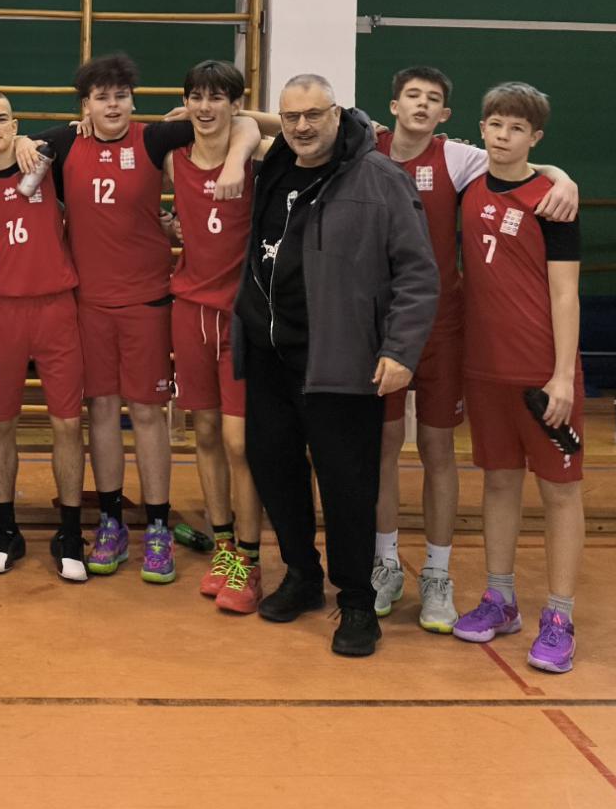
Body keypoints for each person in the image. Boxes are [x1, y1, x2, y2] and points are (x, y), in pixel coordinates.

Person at [370, 68, 578, 632]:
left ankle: (437, 574)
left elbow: (524, 167)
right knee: (383, 447)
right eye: (412, 95)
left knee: (438, 449)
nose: (421, 104)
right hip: (382, 328)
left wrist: (564, 178)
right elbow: (296, 125)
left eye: (433, 99)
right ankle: (385, 564)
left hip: (446, 330)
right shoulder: (365, 146)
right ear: (393, 104)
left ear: (445, 115)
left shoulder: (460, 160)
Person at [34, 54, 255, 585]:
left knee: (149, 413)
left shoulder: (157, 139)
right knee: (102, 411)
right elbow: (12, 146)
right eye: (101, 98)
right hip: (89, 303)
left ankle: (158, 525)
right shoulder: (65, 144)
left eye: (121, 96)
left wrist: (234, 157)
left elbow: (243, 122)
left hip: (149, 300)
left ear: (133, 101)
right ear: (84, 106)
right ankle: (111, 521)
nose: (112, 106)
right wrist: (22, 140)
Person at [236, 74, 436, 658]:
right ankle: (301, 574)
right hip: (270, 354)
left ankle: (356, 602)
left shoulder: (380, 178)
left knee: (347, 486)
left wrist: (399, 349)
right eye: (290, 116)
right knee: (274, 469)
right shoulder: (275, 167)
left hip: (341, 358)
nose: (301, 126)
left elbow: (417, 272)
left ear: (337, 114)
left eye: (313, 115)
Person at [450, 83, 585, 674]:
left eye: (516, 128)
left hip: (541, 373)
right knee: (499, 483)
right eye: (495, 125)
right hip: (484, 368)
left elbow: (566, 293)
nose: (503, 136)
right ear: (482, 128)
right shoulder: (468, 183)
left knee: (560, 491)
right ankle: (500, 599)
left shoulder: (553, 200)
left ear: (536, 138)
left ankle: (560, 617)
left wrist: (563, 377)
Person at [0, 88, 89, 580]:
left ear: (15, 124)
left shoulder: (44, 162)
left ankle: (71, 533)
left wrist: (31, 141)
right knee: (1, 424)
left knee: (67, 424)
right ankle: (6, 531)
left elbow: (78, 131)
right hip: (0, 313)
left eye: (2, 119)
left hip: (56, 308)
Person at [166, 60, 267, 613]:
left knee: (239, 443)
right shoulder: (172, 156)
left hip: (240, 317)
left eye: (217, 97)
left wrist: (242, 138)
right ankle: (224, 549)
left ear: (235, 103)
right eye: (197, 97)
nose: (205, 107)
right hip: (189, 311)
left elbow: (277, 128)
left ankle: (250, 560)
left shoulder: (257, 155)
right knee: (203, 434)